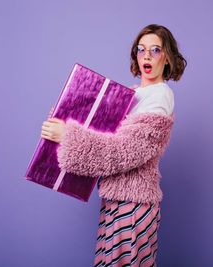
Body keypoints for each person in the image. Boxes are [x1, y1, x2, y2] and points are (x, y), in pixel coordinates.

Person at [41, 24, 186, 266]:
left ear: (168, 58)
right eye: (141, 50)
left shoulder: (161, 95)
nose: (147, 56)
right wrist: (64, 118)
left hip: (134, 204)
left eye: (155, 50)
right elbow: (99, 129)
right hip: (117, 198)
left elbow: (121, 152)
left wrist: (67, 135)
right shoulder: (132, 94)